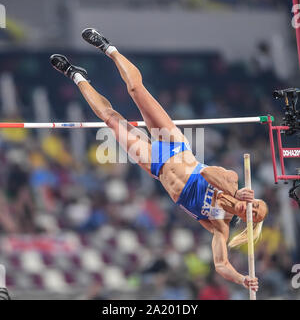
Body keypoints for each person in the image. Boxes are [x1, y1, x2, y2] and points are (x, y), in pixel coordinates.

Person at [50, 28, 269, 292]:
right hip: (174, 146)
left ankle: (76, 76)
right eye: (256, 205)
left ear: (249, 222)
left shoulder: (219, 225)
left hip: (154, 164)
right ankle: (108, 48)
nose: (253, 208)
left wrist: (242, 279)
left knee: (110, 119)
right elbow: (208, 174)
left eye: (255, 213)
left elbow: (221, 264)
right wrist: (234, 192)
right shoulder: (232, 179)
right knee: (135, 89)